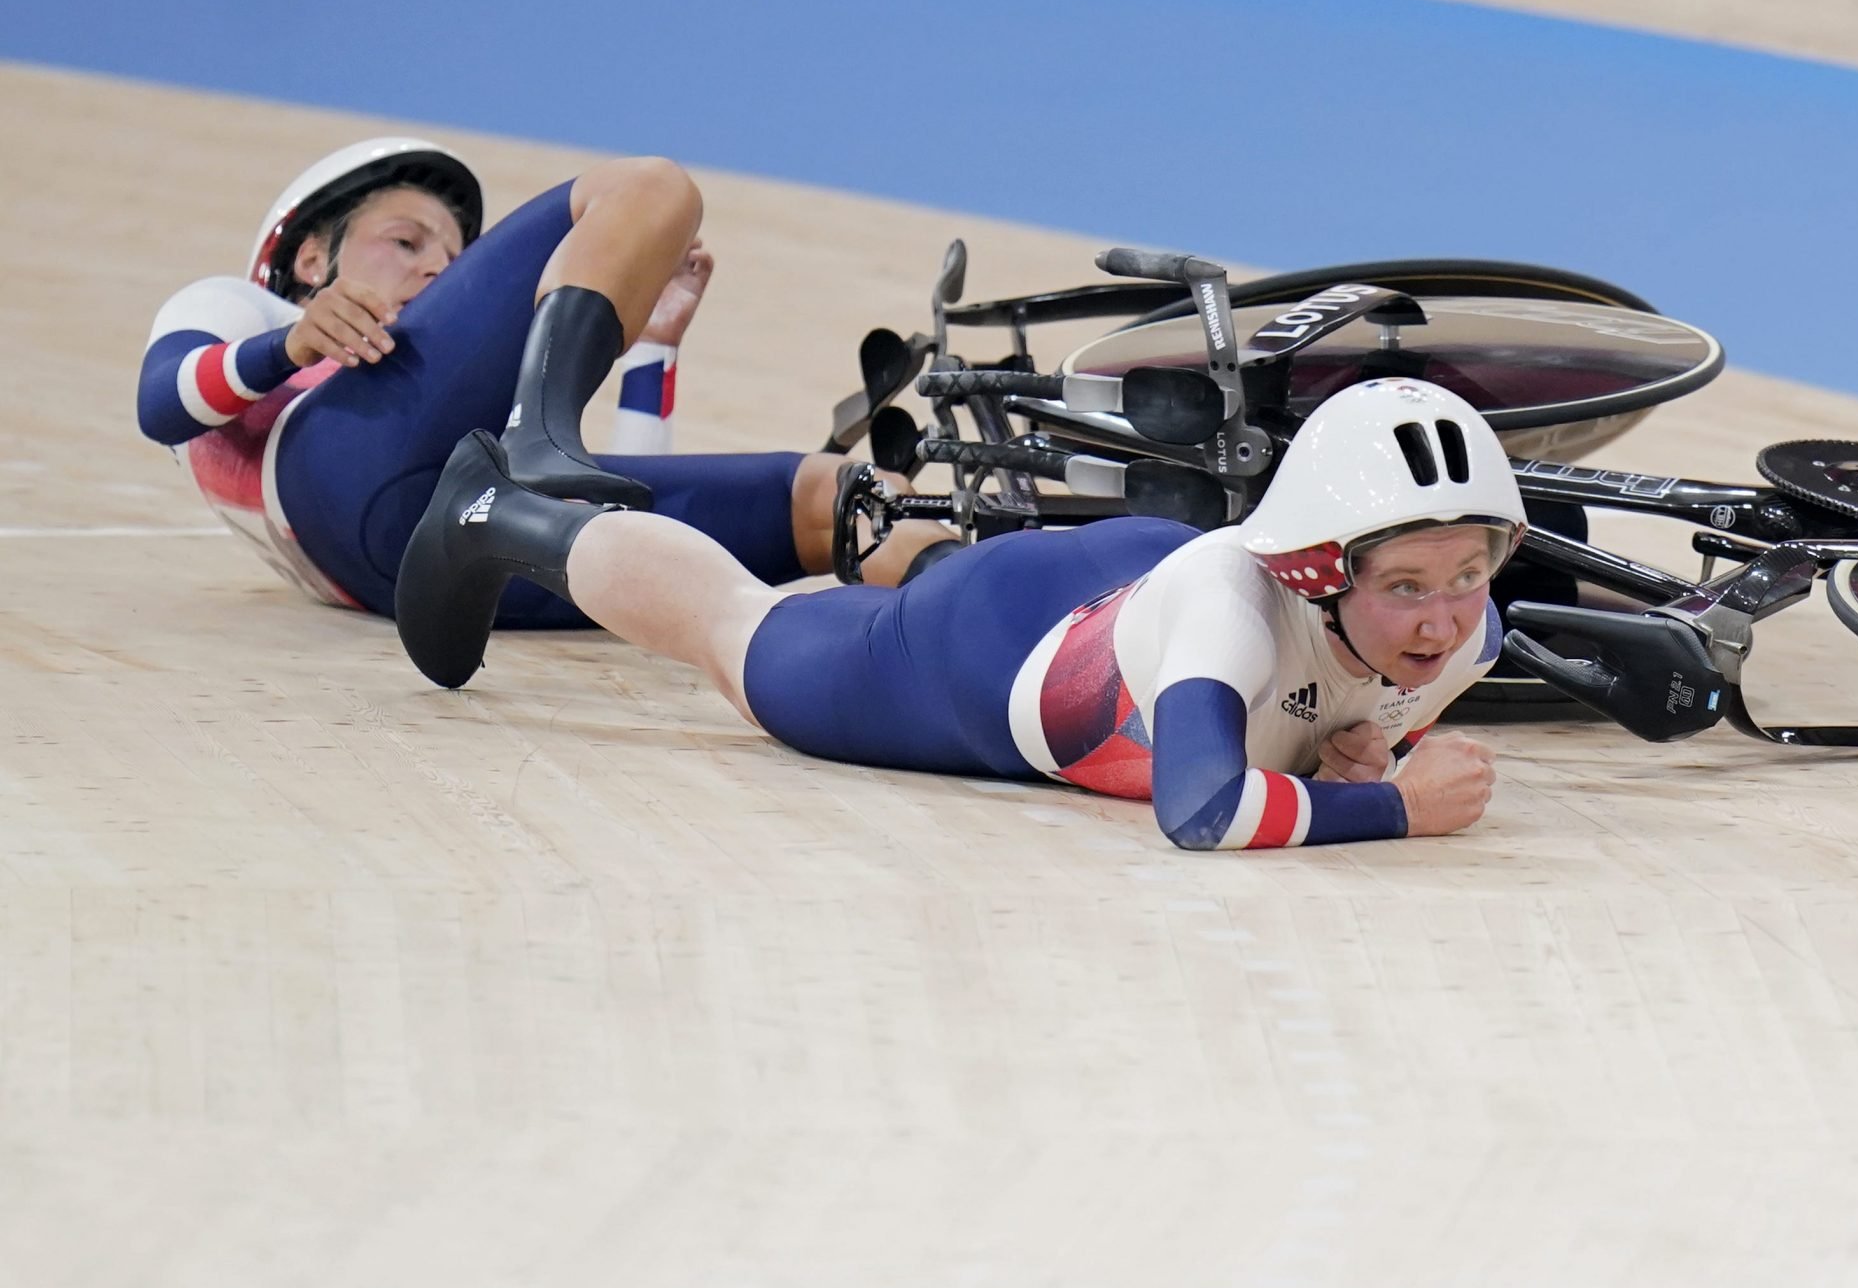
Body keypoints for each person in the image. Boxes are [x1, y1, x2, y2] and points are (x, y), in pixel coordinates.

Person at [396, 376, 1516, 849]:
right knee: (739, 636)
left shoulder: (1471, 630)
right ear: (1319, 568)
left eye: (1465, 575)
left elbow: (1334, 719)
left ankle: (903, 557)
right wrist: (1399, 810)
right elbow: (1201, 811)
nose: (1442, 619)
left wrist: (1357, 756)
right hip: (988, 656)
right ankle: (495, 509)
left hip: (1118, 594)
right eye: (1406, 588)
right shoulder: (1230, 608)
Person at [134, 137, 942, 624]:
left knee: (843, 496)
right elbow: (159, 403)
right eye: (406, 241)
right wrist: (287, 345)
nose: (435, 270)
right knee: (652, 188)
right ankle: (534, 434)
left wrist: (653, 349)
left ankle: (991, 607)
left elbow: (621, 498)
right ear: (311, 257)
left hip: (441, 559)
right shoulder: (234, 305)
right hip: (336, 470)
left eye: (451, 260)